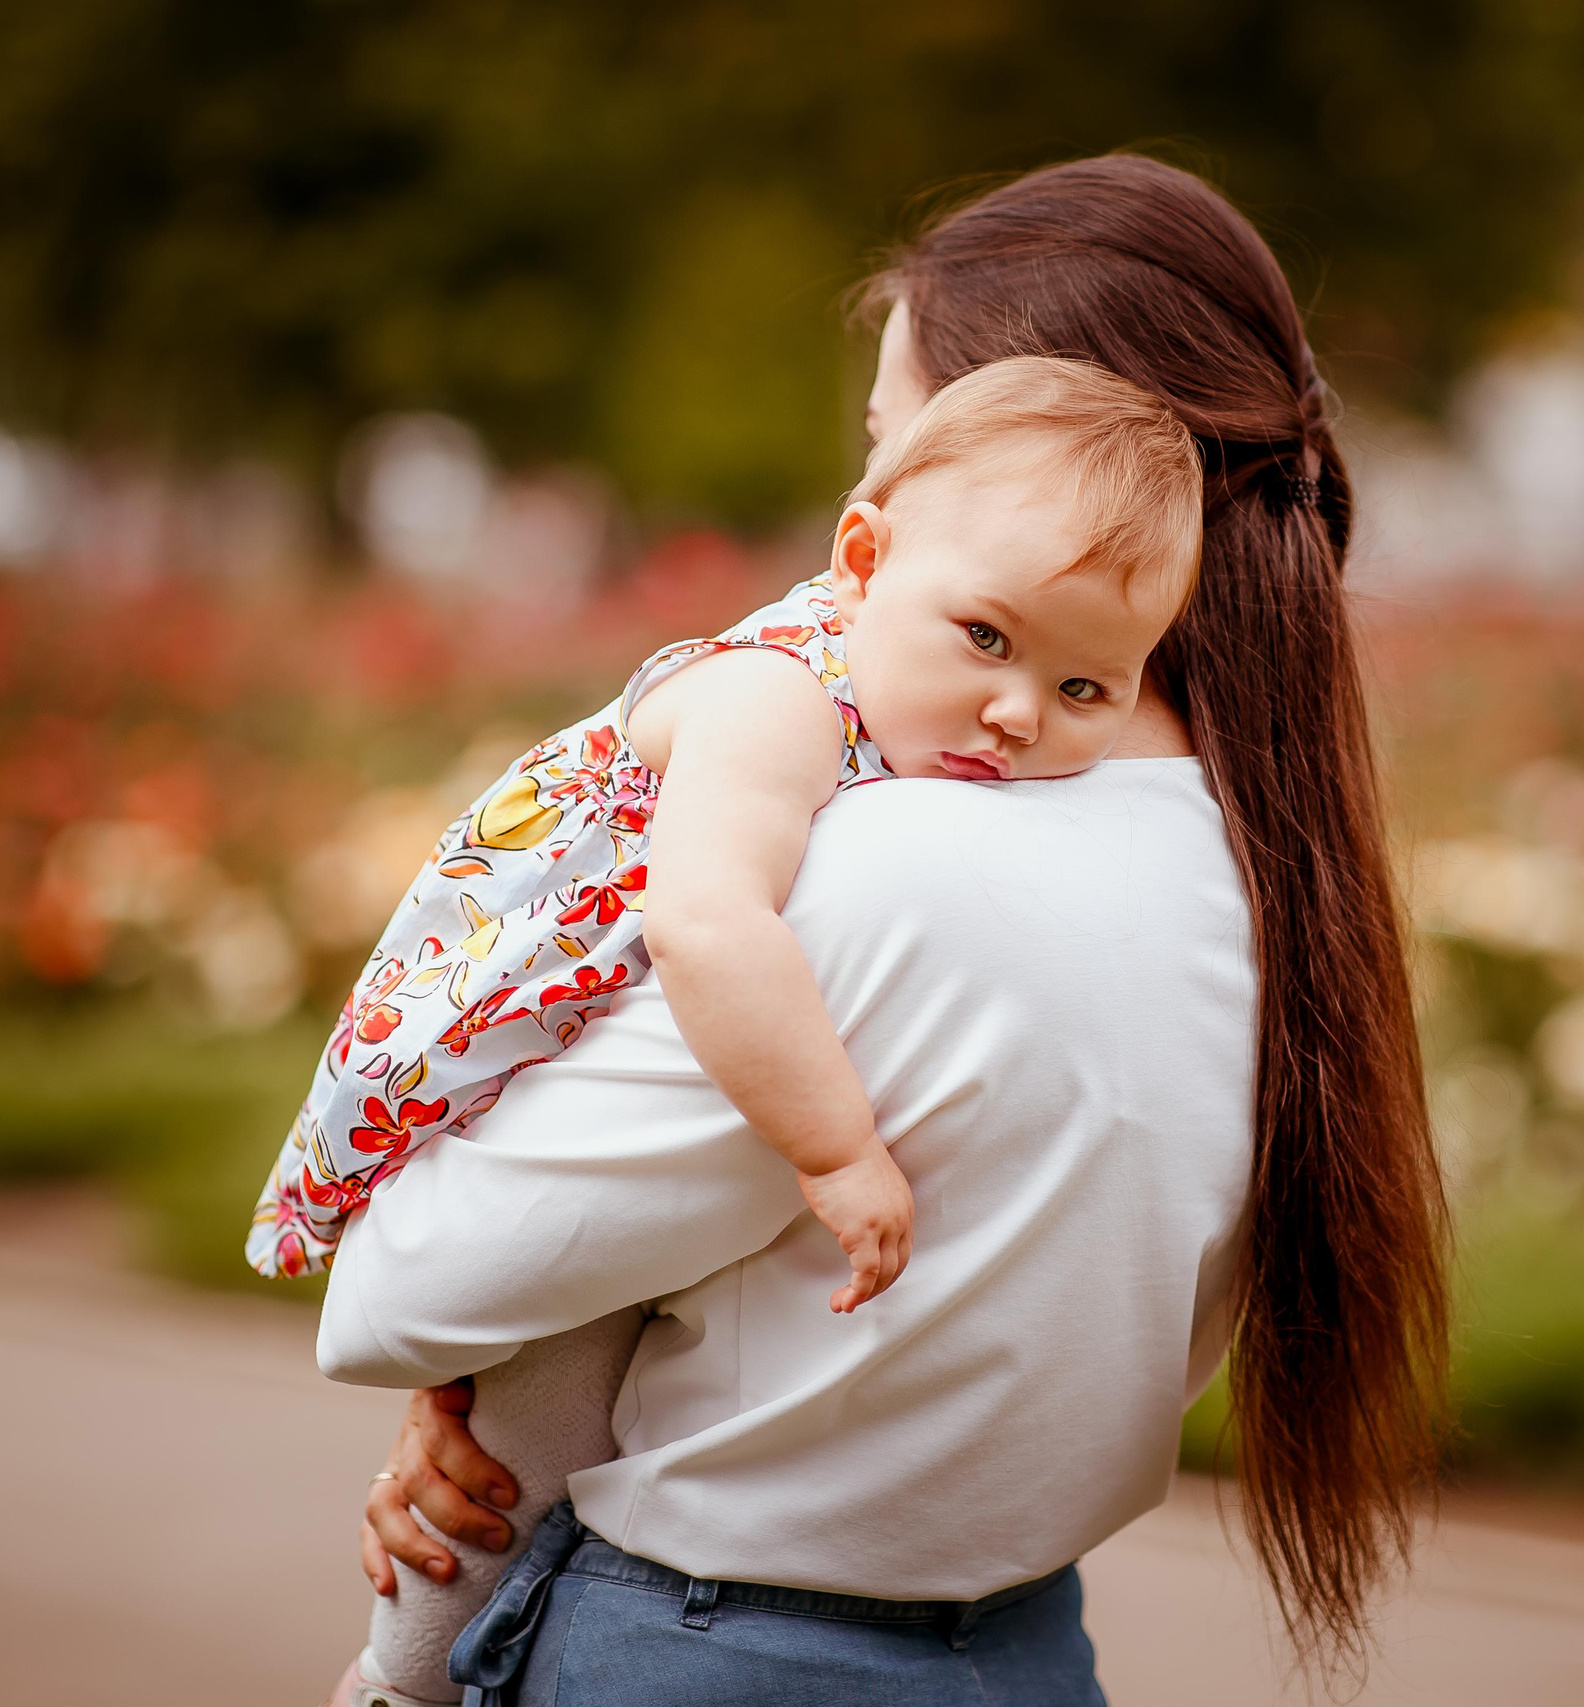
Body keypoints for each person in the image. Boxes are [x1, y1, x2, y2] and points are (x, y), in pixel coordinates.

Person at [341, 153, 1450, 1703]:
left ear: (1026, 459)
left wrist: (464, 1389)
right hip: (1025, 1654)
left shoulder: (883, 872)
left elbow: (406, 1289)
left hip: (719, 1655)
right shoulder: (1283, 869)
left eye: (891, 439)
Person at [292, 357, 1204, 1704]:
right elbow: (707, 926)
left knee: (530, 1396)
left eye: (1086, 691)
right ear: (860, 557)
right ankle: (400, 1682)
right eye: (988, 641)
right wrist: (838, 1153)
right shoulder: (775, 699)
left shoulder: (943, 730)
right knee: (520, 1428)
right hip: (522, 1028)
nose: (1017, 717)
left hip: (633, 1033)